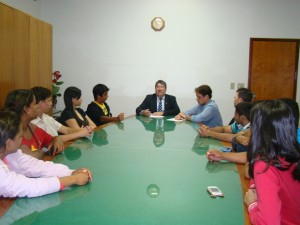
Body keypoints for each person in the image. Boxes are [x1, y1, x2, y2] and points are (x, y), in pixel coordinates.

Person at [0, 109, 92, 198]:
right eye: (20, 136)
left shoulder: (11, 154)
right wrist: (73, 179)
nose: (22, 139)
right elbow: (29, 187)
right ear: (9, 143)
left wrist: (71, 172)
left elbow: (37, 166)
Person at [244, 100, 300, 225]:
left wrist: (252, 204)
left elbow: (268, 222)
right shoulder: (291, 155)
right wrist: (257, 186)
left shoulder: (265, 165)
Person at [4, 89, 64, 159]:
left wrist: (58, 138)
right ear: (26, 109)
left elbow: (52, 139)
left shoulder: (32, 127)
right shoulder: (11, 132)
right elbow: (31, 157)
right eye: (35, 104)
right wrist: (43, 151)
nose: (38, 106)